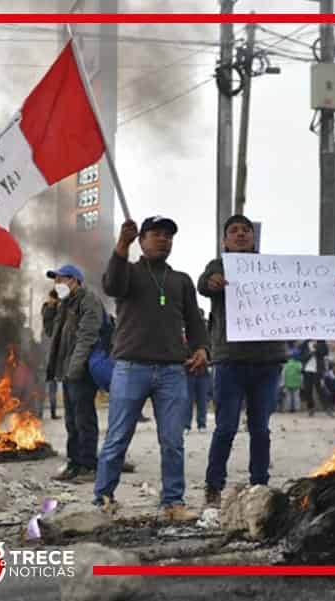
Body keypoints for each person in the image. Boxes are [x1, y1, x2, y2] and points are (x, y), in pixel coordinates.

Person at [198, 214, 335, 507]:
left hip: (267, 362)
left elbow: (309, 292)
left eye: (246, 231)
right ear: (224, 240)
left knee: (261, 429)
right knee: (225, 427)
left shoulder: (271, 269)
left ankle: (259, 485)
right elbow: (203, 285)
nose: (241, 235)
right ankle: (213, 486)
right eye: (234, 231)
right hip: (230, 361)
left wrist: (332, 284)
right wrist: (212, 282)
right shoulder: (219, 266)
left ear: (254, 238)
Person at [94, 217, 209, 521]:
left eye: (168, 236)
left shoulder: (181, 280)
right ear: (142, 241)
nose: (163, 240)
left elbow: (195, 321)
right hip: (131, 367)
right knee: (118, 437)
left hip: (172, 370)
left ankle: (173, 502)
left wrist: (201, 348)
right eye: (156, 235)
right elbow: (111, 284)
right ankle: (103, 498)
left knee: (173, 440)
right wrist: (122, 245)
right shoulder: (128, 272)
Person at [45, 264, 104, 483]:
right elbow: (52, 333)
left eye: (62, 279)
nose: (57, 284)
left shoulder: (88, 301)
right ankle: (74, 463)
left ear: (75, 280)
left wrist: (75, 369)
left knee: (84, 419)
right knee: (71, 420)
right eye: (56, 280)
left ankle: (89, 466)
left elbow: (86, 338)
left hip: (82, 371)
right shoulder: (65, 305)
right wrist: (50, 308)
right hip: (68, 371)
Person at [41, 290, 61, 420]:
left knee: (51, 388)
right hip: (48, 358)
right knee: (44, 388)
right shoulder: (50, 312)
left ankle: (51, 413)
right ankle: (38, 414)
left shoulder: (51, 311)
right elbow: (51, 332)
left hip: (52, 357)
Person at [298, 340, 329, 417]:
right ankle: (311, 408)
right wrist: (310, 353)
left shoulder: (321, 342)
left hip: (318, 370)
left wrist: (316, 347)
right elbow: (301, 357)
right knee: (308, 390)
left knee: (321, 390)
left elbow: (325, 352)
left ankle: (327, 408)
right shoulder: (304, 344)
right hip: (307, 370)